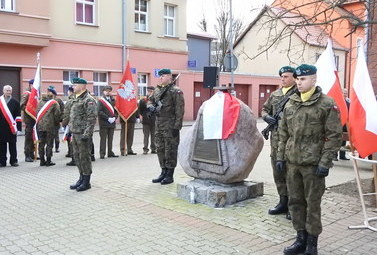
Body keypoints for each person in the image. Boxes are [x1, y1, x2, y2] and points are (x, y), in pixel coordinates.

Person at [276, 64, 342, 255]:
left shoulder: (326, 104)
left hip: (313, 166)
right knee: (295, 202)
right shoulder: (291, 103)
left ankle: (312, 245)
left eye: (303, 79)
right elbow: (283, 133)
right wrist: (280, 157)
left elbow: (334, 136)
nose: (299, 82)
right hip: (293, 163)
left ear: (314, 79)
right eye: (297, 79)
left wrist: (325, 163)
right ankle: (300, 240)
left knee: (312, 204)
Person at [261, 66, 297, 220]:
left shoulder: (298, 94)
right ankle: (283, 201)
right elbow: (264, 109)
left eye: (286, 76)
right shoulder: (275, 94)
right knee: (278, 173)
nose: (283, 79)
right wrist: (266, 117)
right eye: (282, 76)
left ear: (294, 78)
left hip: (290, 141)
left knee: (291, 175)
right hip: (276, 141)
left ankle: (293, 206)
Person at [149, 68, 184, 185]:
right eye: (160, 76)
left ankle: (170, 174)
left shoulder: (176, 91)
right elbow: (150, 101)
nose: (161, 78)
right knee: (160, 148)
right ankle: (163, 171)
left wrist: (177, 127)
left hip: (170, 125)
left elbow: (180, 110)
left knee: (170, 150)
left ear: (169, 77)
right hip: (159, 125)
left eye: (163, 76)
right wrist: (151, 107)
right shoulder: (158, 90)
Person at [67, 78, 97, 192]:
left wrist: (87, 134)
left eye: (75, 85)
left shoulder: (89, 100)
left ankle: (86, 181)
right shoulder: (75, 99)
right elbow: (72, 116)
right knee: (77, 156)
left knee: (85, 157)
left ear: (83, 86)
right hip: (75, 132)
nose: (73, 87)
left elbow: (92, 118)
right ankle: (81, 177)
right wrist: (70, 129)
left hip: (83, 134)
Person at [36, 91, 61, 166]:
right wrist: (57, 123)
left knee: (41, 144)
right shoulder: (54, 103)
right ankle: (48, 161)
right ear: (52, 96)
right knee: (49, 144)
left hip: (40, 126)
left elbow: (36, 112)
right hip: (50, 126)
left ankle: (42, 161)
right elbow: (57, 114)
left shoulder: (39, 102)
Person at [0, 85, 22, 167]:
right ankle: (2, 161)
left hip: (12, 127)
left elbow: (18, 116)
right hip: (1, 127)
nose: (8, 92)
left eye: (10, 90)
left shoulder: (15, 102)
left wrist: (18, 128)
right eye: (7, 90)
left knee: (12, 144)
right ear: (3, 91)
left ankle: (13, 161)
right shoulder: (0, 101)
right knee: (2, 145)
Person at [97, 85, 118, 159]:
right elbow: (99, 111)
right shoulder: (100, 101)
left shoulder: (113, 100)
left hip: (111, 122)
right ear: (103, 91)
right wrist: (108, 118)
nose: (108, 92)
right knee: (103, 139)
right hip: (104, 123)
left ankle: (110, 152)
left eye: (109, 91)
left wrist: (114, 118)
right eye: (106, 91)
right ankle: (102, 153)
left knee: (110, 139)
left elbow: (116, 111)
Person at [20, 79, 36, 162]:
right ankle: (27, 155)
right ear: (30, 85)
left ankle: (32, 153)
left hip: (34, 119)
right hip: (29, 119)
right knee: (28, 137)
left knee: (34, 136)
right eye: (33, 84)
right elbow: (22, 105)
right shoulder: (27, 94)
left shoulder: (35, 94)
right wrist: (29, 111)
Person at [138, 86, 156, 154]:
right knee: (146, 136)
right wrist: (145, 115)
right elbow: (140, 110)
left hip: (154, 120)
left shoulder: (156, 100)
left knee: (154, 135)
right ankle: (145, 149)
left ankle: (153, 148)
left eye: (151, 91)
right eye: (148, 91)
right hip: (146, 121)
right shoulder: (143, 100)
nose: (150, 92)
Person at [47, 86, 64, 153]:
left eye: (49, 91)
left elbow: (62, 110)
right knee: (49, 136)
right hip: (48, 121)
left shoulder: (58, 100)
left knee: (56, 135)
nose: (48, 92)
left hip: (56, 120)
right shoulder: (47, 99)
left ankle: (57, 147)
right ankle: (49, 148)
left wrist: (60, 119)